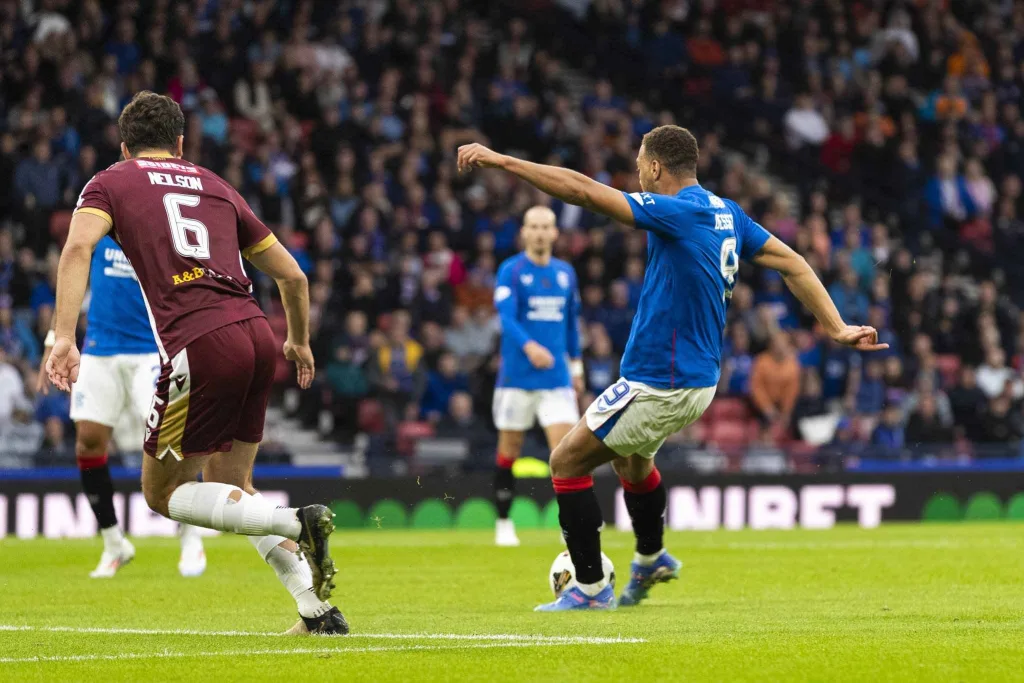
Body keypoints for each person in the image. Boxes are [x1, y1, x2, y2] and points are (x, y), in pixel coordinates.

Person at [457, 125, 887, 611]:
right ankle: (651, 556)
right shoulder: (727, 213)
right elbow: (794, 263)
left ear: (656, 166)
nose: (637, 172)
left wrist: (504, 161)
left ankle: (590, 587)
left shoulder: (676, 211)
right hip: (695, 380)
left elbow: (584, 191)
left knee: (566, 462)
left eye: (640, 163)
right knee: (632, 462)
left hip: (661, 380)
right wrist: (835, 326)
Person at [45, 92, 346, 635]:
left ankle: (295, 521)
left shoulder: (109, 183)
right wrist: (299, 341)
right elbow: (294, 277)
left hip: (199, 344)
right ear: (181, 143)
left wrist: (64, 336)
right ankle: (317, 611)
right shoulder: (217, 185)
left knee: (161, 493)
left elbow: (77, 248)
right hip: (257, 335)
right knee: (235, 484)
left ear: (124, 146)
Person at [36, 235, 206, 578]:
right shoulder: (96, 228)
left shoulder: (157, 227)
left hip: (151, 352)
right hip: (99, 349)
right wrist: (55, 338)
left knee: (169, 441)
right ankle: (114, 542)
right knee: (87, 443)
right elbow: (72, 276)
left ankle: (190, 534)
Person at [491, 205, 584, 546]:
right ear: (525, 232)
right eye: (534, 226)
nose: (541, 233)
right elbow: (506, 317)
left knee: (565, 453)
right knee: (509, 450)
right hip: (517, 377)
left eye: (546, 227)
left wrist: (576, 368)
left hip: (556, 379)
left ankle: (568, 524)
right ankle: (503, 522)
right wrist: (529, 346)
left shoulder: (565, 273)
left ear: (555, 233)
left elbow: (571, 324)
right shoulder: (511, 270)